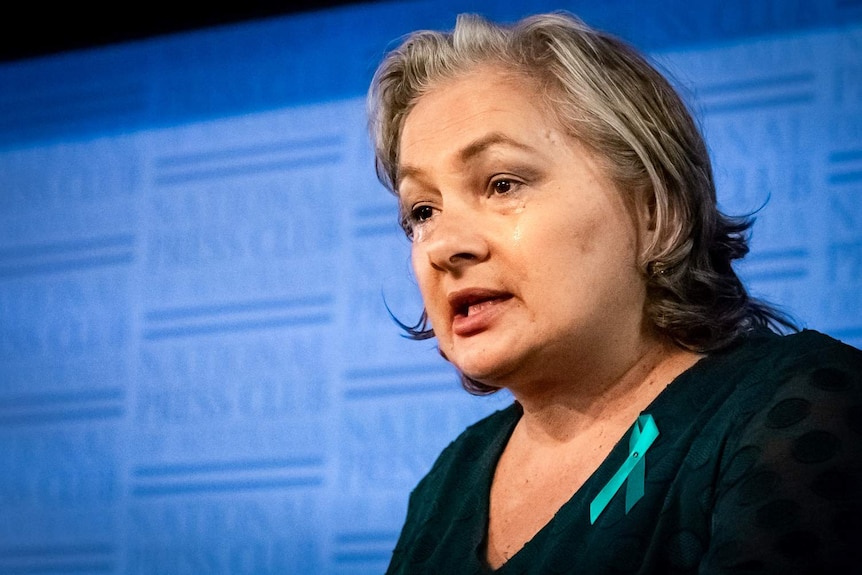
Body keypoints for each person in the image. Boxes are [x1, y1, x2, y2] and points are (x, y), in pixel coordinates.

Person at [367, 11, 862, 574]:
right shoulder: (448, 484)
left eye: (502, 183)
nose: (442, 247)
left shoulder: (801, 406)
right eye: (422, 211)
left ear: (653, 209)